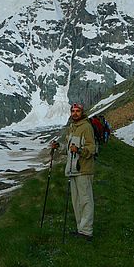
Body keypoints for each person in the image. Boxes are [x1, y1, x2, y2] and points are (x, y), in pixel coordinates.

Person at [51, 102, 95, 240]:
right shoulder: (72, 128)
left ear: (82, 113)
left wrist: (80, 150)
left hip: (84, 170)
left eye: (77, 111)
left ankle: (87, 231)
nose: (75, 113)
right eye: (73, 111)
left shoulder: (86, 127)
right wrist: (58, 147)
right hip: (73, 169)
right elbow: (69, 149)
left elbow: (92, 148)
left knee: (86, 200)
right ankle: (80, 229)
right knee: (76, 201)